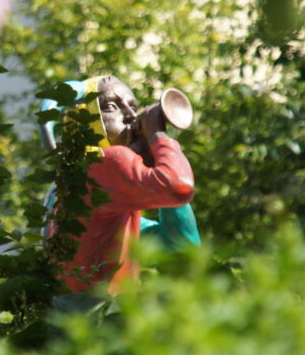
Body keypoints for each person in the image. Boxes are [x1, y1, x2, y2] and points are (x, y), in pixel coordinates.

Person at [45, 75, 199, 294]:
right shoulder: (106, 161)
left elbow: (181, 246)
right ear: (87, 123)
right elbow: (179, 187)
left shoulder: (75, 182)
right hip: (104, 319)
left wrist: (154, 160)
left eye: (133, 106)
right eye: (111, 106)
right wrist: (158, 135)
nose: (131, 116)